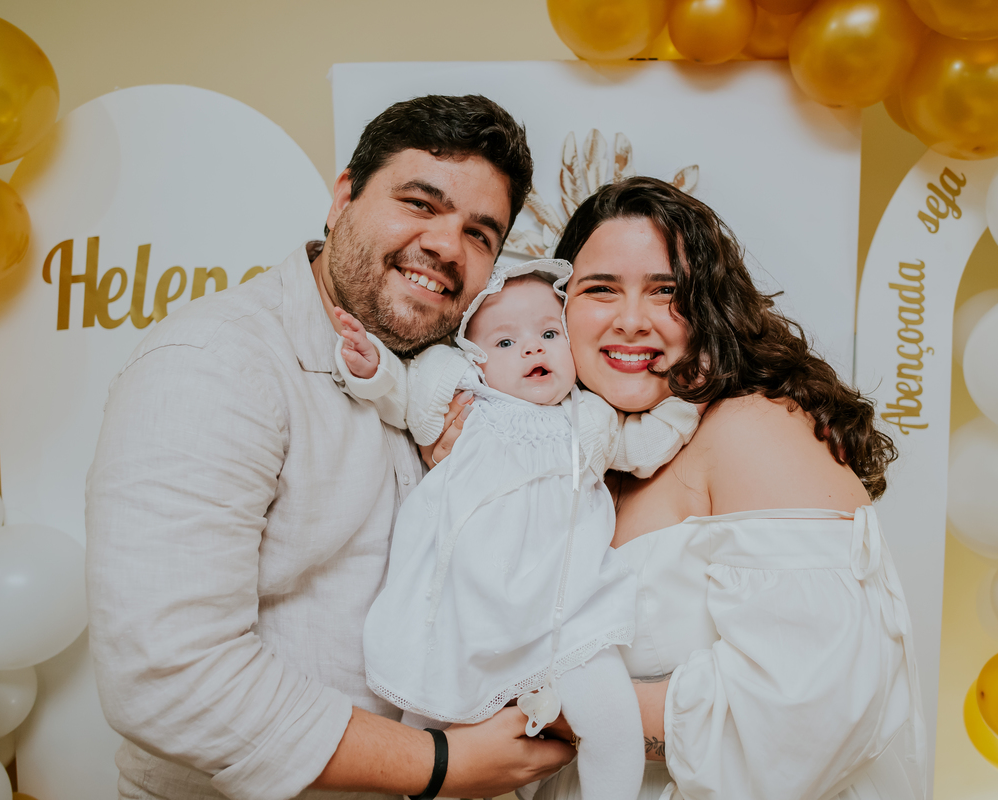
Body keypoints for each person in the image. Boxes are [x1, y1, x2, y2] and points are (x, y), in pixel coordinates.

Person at [85, 94, 577, 800]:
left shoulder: (454, 370)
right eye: (419, 203)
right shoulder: (215, 362)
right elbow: (168, 675)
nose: (445, 245)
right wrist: (440, 765)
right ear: (343, 197)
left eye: (479, 234)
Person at [431, 176, 926, 800]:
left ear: (711, 309)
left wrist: (544, 709)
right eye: (601, 289)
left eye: (667, 292)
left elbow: (810, 710)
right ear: (561, 307)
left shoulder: (753, 428)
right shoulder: (584, 456)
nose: (631, 321)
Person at [335, 259, 704, 800]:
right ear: (476, 361)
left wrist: (688, 401)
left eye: (550, 333)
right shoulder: (463, 400)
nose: (533, 349)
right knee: (431, 721)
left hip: (568, 610)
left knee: (611, 719)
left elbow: (644, 449)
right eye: (505, 343)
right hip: (467, 606)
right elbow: (399, 396)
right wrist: (372, 369)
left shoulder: (590, 419)